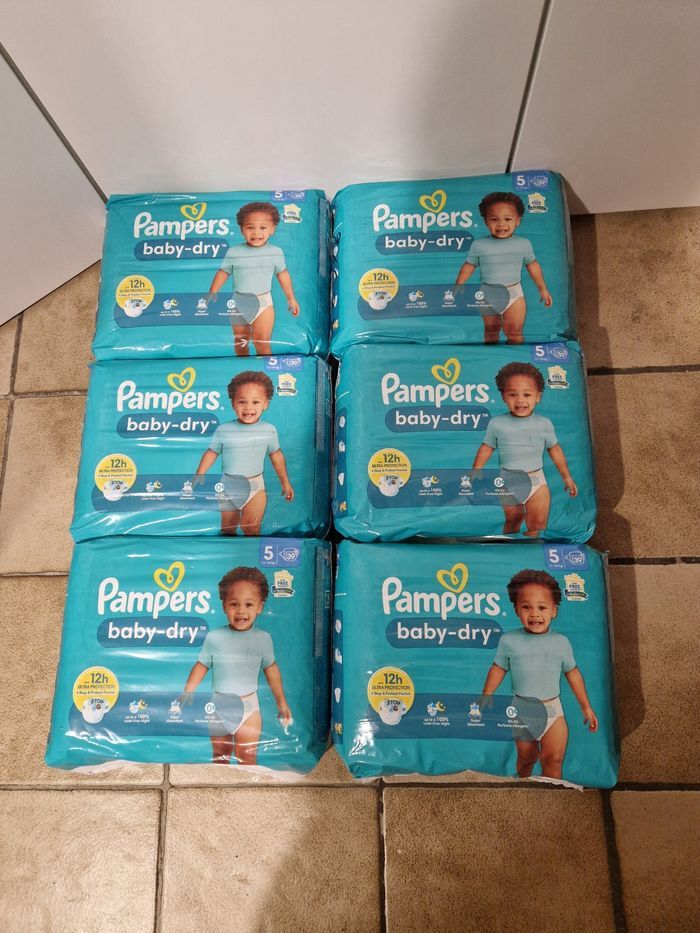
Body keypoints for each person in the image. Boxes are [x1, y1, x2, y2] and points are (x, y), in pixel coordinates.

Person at [480, 569, 598, 780]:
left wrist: (586, 707)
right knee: (527, 757)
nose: (534, 614)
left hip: (553, 710)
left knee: (554, 759)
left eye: (542, 607)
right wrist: (487, 693)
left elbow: (572, 673)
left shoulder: (560, 642)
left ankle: (552, 792)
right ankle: (524, 784)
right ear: (517, 610)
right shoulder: (509, 640)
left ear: (554, 611)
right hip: (523, 709)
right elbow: (498, 667)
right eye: (526, 607)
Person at [180, 566, 292, 765]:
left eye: (248, 604)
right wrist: (188, 691)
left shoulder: (263, 638)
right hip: (219, 706)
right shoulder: (215, 637)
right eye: (234, 604)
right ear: (224, 606)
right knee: (220, 756)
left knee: (247, 756)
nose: (241, 610)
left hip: (249, 707)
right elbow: (201, 665)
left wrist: (281, 702)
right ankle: (220, 784)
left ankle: (247, 784)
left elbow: (271, 669)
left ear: (260, 607)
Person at [471, 362, 576, 536]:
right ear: (504, 396)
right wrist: (476, 469)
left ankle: (531, 549)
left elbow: (554, 449)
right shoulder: (497, 423)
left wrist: (567, 477)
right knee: (513, 519)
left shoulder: (544, 423)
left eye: (527, 394)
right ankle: (509, 547)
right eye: (512, 394)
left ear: (538, 397)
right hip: (509, 480)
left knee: (538, 524)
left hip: (537, 481)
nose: (520, 400)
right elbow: (487, 447)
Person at [192, 371, 294, 535]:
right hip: (228, 486)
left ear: (265, 404)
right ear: (233, 404)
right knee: (228, 527)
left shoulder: (268, 430)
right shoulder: (224, 429)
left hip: (256, 486)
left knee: (251, 528)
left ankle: (252, 551)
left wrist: (285, 483)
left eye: (255, 402)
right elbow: (212, 451)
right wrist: (200, 472)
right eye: (242, 402)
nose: (248, 407)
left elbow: (276, 455)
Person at [455, 192, 551, 343]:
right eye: (494, 219)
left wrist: (543, 289)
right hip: (488, 293)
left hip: (515, 293)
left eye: (507, 219)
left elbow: (532, 265)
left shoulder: (523, 244)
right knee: (491, 330)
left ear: (518, 221)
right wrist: (459, 283)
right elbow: (469, 265)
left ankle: (515, 354)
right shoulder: (479, 244)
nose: (501, 224)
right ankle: (492, 355)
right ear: (486, 221)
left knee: (515, 331)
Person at [207, 202, 299, 355]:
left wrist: (291, 299)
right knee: (240, 342)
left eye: (263, 227)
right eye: (250, 227)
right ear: (242, 229)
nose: (256, 233)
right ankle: (243, 367)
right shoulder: (234, 252)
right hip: (239, 302)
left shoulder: (275, 252)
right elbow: (223, 272)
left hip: (264, 303)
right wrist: (213, 291)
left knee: (262, 342)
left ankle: (266, 367)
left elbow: (282, 274)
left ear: (272, 229)